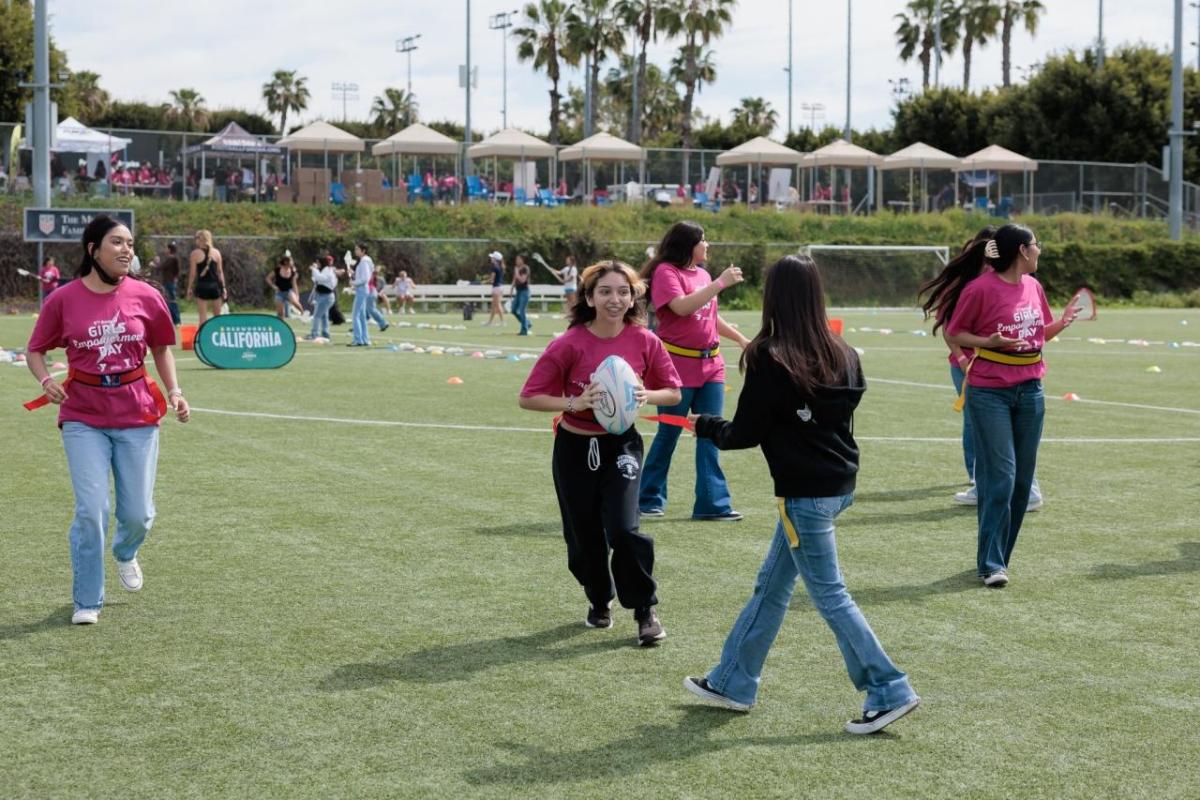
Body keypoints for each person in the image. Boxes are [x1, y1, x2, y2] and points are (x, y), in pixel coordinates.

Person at [680, 254, 920, 734]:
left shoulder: (769, 355)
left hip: (806, 495)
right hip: (838, 484)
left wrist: (706, 426)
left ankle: (889, 688)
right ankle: (732, 680)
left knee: (830, 595)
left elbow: (745, 432)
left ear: (773, 297)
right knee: (772, 586)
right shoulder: (842, 350)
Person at [24, 215, 190, 626]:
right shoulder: (63, 300)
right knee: (91, 509)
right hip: (83, 416)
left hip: (137, 412)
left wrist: (176, 393)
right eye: (116, 242)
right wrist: (46, 380)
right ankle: (87, 599)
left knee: (138, 515)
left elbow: (162, 349)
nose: (126, 250)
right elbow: (35, 350)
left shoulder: (147, 295)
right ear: (92, 249)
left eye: (130, 243)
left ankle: (126, 551)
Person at [518, 260, 682, 646]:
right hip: (575, 447)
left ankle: (644, 611)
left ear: (633, 297)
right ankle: (599, 598)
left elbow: (672, 392)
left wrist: (646, 395)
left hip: (622, 445)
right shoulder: (568, 343)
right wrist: (573, 403)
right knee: (584, 539)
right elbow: (528, 398)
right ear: (589, 297)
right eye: (605, 291)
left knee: (625, 529)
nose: (615, 299)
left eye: (623, 291)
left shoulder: (645, 340)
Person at [945, 224, 1079, 588]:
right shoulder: (979, 289)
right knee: (1000, 477)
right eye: (1037, 244)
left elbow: (1037, 335)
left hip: (1031, 390)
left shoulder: (1035, 287)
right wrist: (987, 341)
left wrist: (1061, 325)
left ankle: (1000, 557)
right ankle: (990, 564)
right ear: (1022, 250)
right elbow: (954, 332)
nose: (1040, 250)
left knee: (1022, 483)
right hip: (989, 392)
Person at [919, 227, 1044, 511]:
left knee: (995, 435)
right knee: (982, 430)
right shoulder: (975, 285)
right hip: (973, 366)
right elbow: (952, 329)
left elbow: (1035, 327)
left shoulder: (1019, 283)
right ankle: (986, 486)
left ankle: (1014, 489)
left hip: (998, 372)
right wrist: (964, 360)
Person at [638, 220, 751, 521]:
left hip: (711, 365)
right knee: (670, 432)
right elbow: (682, 307)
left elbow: (708, 314)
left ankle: (712, 505)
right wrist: (720, 283)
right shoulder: (666, 272)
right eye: (703, 240)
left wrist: (740, 338)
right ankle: (647, 498)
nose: (707, 245)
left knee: (711, 432)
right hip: (675, 366)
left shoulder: (702, 274)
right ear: (688, 245)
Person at [186, 229, 226, 325]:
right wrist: (224, 287)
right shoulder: (216, 253)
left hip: (202, 285)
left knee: (202, 316)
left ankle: (203, 337)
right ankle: (217, 336)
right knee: (217, 316)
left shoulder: (195, 254)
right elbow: (220, 272)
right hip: (215, 286)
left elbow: (192, 273)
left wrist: (189, 287)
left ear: (200, 240)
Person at [306, 256, 342, 340]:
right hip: (322, 296)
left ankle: (314, 334)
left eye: (318, 262)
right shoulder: (323, 270)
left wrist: (314, 269)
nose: (317, 264)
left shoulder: (327, 270)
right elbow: (316, 282)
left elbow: (320, 278)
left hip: (327, 296)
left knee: (316, 316)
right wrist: (312, 297)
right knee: (324, 316)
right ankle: (325, 334)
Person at [349, 242, 377, 346]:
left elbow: (365, 278)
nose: (355, 251)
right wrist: (353, 274)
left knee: (355, 315)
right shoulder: (363, 261)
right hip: (361, 289)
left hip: (362, 289)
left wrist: (353, 282)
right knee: (361, 316)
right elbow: (362, 275)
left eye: (357, 249)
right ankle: (365, 339)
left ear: (363, 250)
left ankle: (358, 340)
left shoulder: (365, 261)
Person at [266, 255, 305, 320]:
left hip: (289, 291)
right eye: (291, 261)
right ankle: (281, 326)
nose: (292, 262)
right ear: (286, 262)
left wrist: (297, 295)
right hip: (279, 293)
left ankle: (303, 315)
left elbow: (294, 284)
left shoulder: (293, 272)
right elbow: (268, 278)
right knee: (280, 313)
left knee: (295, 303)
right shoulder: (277, 270)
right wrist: (274, 286)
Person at [154, 241, 182, 325]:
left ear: (169, 249)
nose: (165, 250)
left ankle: (176, 320)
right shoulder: (173, 259)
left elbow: (162, 267)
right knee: (169, 301)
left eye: (166, 248)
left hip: (169, 282)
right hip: (169, 282)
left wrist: (154, 264)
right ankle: (173, 319)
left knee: (172, 301)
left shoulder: (171, 259)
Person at [510, 255, 532, 335]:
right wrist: (511, 289)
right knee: (513, 310)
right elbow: (514, 279)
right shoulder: (516, 268)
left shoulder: (525, 268)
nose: (517, 261)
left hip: (525, 292)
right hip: (518, 291)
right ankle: (527, 323)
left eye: (518, 259)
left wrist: (517, 273)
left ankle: (524, 330)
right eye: (516, 259)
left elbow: (522, 280)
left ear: (522, 260)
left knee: (522, 311)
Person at [483, 251, 505, 328]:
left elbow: (492, 279)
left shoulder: (494, 267)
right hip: (500, 287)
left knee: (498, 305)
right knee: (493, 306)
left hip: (496, 288)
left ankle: (502, 322)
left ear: (495, 259)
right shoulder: (500, 266)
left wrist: (485, 282)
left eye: (492, 257)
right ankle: (490, 322)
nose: (491, 258)